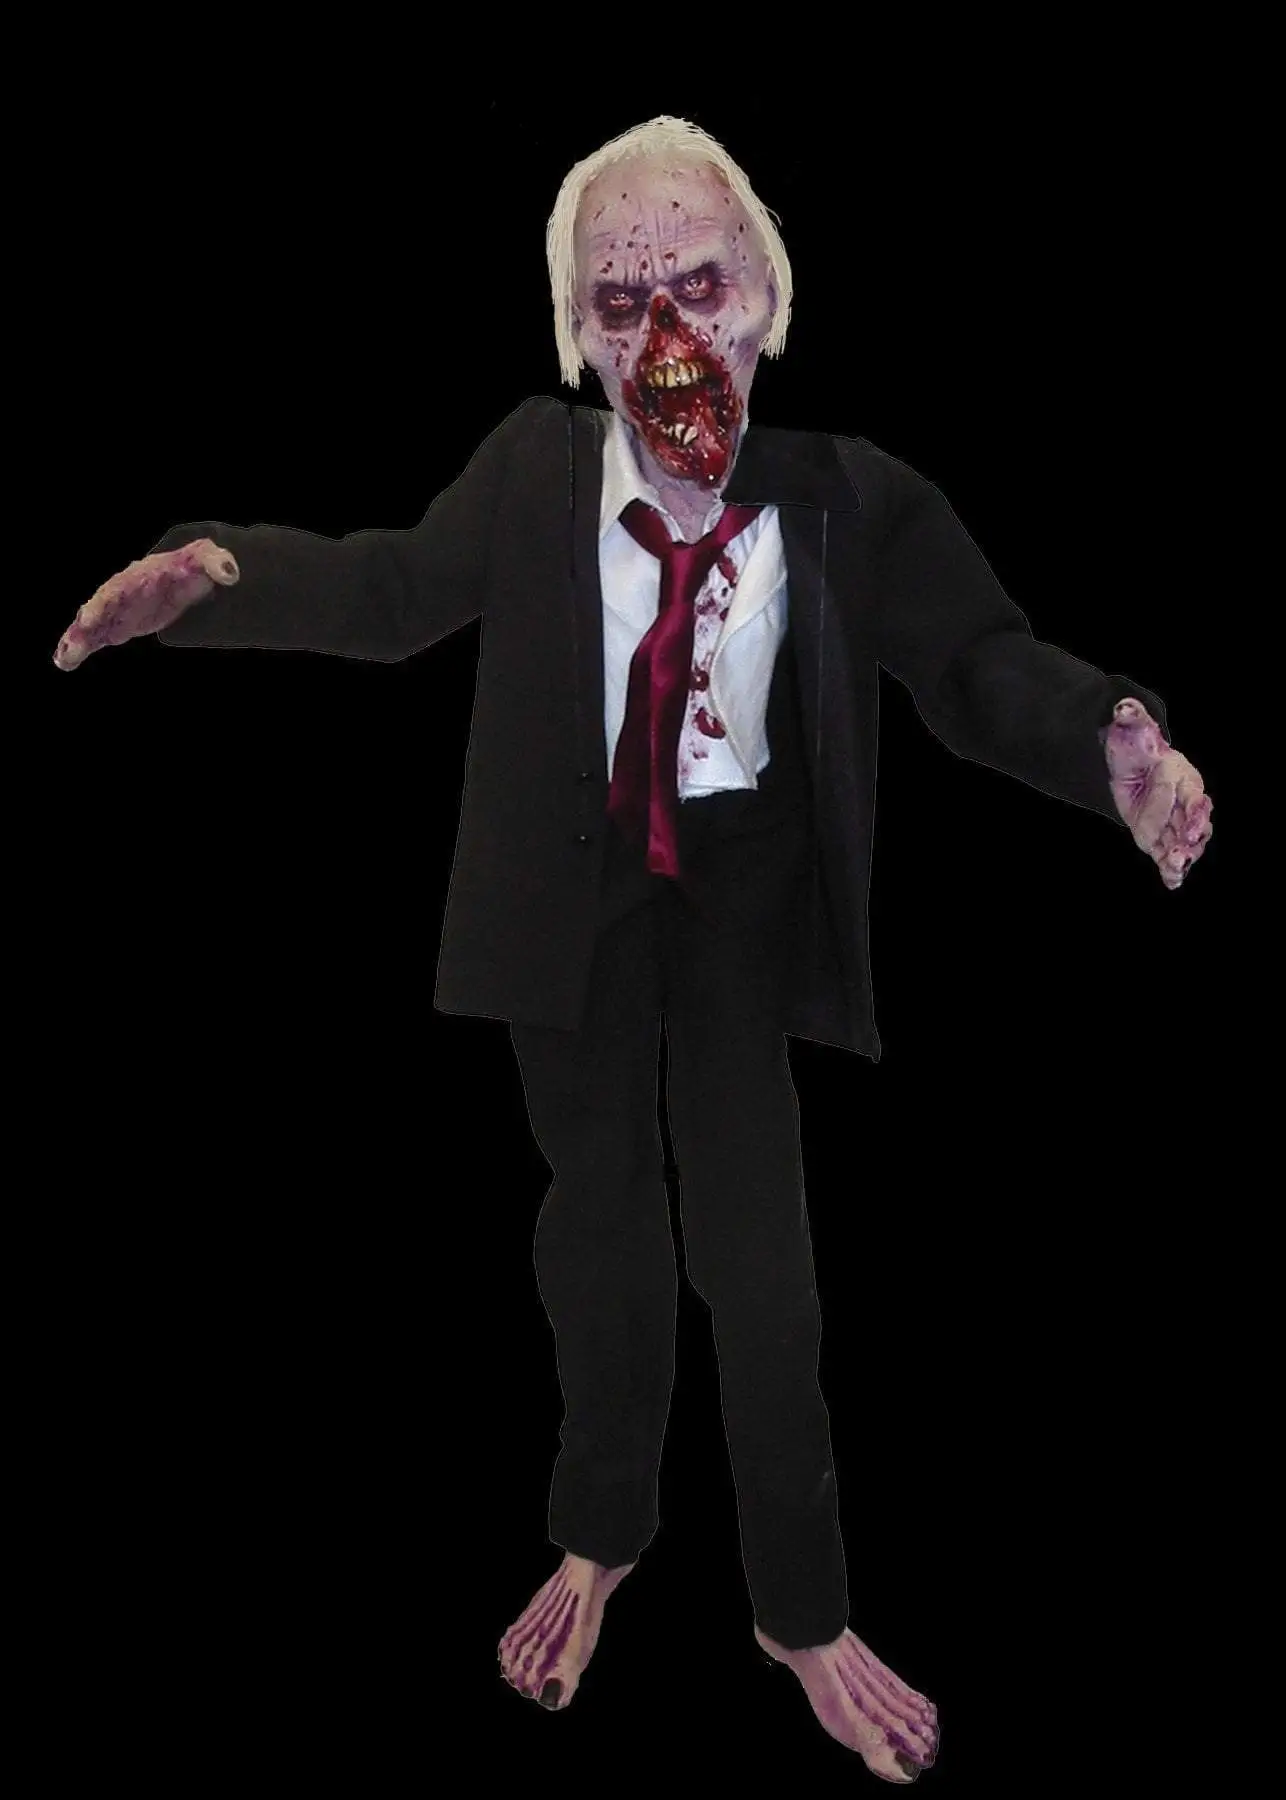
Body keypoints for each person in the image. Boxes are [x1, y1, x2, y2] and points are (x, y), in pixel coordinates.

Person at [53, 116, 1212, 1784]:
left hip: (739, 893)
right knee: (594, 1230)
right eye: (620, 304)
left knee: (762, 1258)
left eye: (700, 289)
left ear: (766, 301)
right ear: (576, 338)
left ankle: (797, 1607)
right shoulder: (533, 471)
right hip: (574, 889)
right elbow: (389, 590)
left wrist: (1112, 742)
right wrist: (217, 582)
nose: (665, 336)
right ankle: (600, 1529)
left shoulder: (850, 496)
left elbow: (974, 660)